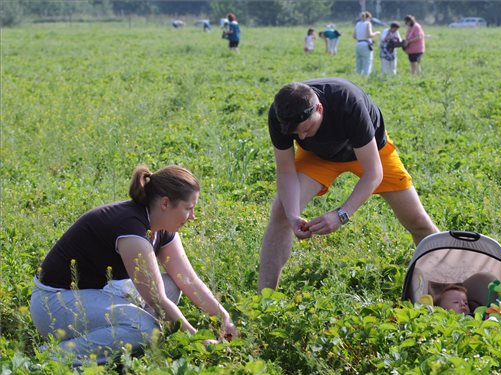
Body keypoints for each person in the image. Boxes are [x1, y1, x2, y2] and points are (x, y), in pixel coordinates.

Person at [30, 165, 238, 365]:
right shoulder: (131, 227)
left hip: (94, 296)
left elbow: (188, 280)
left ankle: (131, 341)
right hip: (54, 304)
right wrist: (199, 342)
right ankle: (52, 357)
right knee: (146, 329)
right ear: (165, 203)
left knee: (173, 285)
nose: (193, 216)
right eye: (189, 208)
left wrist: (224, 317)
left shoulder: (162, 226)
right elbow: (156, 299)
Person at [258, 78, 439, 292]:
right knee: (281, 212)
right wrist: (292, 216)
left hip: (370, 152)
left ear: (319, 108)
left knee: (417, 220)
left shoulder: (347, 101)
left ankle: (448, 280)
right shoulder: (280, 115)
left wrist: (341, 214)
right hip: (318, 157)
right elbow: (286, 171)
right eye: (295, 134)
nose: (302, 137)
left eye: (307, 129)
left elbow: (373, 173)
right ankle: (264, 301)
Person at [352, 11, 380, 75]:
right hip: (365, 44)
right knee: (367, 62)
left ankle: (358, 76)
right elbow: (369, 35)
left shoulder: (357, 24)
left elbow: (354, 36)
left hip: (358, 44)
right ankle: (365, 77)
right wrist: (376, 33)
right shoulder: (368, 23)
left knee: (359, 63)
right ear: (368, 18)